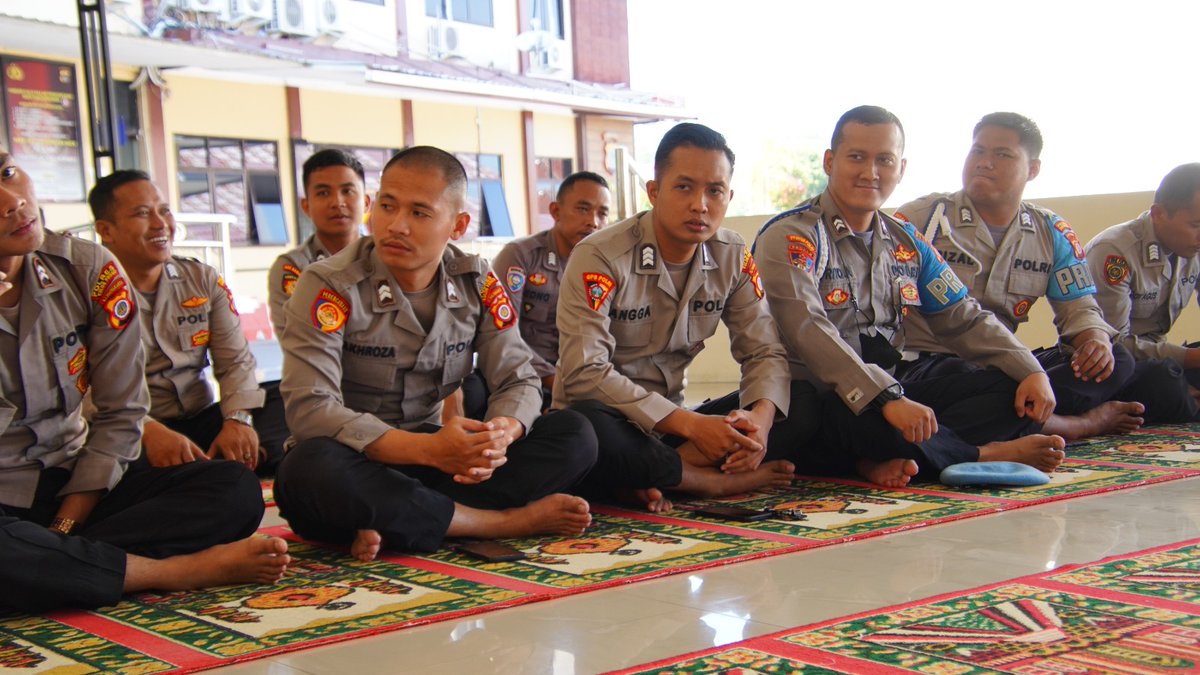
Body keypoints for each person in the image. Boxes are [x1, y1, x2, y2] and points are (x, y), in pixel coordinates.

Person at [275, 146, 596, 561]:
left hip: (438, 464)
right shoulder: (328, 284)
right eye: (387, 206)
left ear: (458, 224)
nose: (396, 226)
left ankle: (401, 520)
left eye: (419, 213)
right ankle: (501, 523)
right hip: (358, 458)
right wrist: (429, 451)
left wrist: (500, 434)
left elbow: (518, 376)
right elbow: (310, 410)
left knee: (576, 434)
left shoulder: (476, 281)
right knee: (306, 470)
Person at [0, 148, 287, 613]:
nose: (11, 200)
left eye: (8, 173)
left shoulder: (88, 271)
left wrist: (65, 527)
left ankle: (57, 560)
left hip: (77, 483)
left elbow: (121, 412)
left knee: (233, 490)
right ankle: (173, 570)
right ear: (108, 227)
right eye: (141, 214)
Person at [754, 105, 1065, 489]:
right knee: (823, 417)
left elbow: (962, 315)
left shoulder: (907, 241)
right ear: (830, 162)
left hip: (895, 385)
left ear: (900, 169)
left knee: (1011, 391)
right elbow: (809, 332)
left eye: (884, 160)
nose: (870, 172)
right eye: (857, 158)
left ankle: (880, 457)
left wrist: (1029, 368)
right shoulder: (791, 237)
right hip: (823, 394)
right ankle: (982, 454)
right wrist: (886, 400)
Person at [554, 122, 811, 513]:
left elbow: (764, 351)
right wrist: (690, 426)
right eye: (684, 187)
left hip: (675, 431)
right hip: (616, 421)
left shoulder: (732, 254)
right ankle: (705, 482)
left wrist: (758, 420)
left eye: (714, 191)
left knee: (804, 399)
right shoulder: (601, 256)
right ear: (654, 191)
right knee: (585, 429)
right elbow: (584, 373)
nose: (700, 205)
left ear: (729, 196)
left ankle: (656, 475)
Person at [892, 112, 1143, 440]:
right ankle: (1074, 425)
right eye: (978, 151)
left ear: (1033, 169)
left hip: (1005, 363)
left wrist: (1092, 339)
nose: (984, 163)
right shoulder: (921, 219)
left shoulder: (1050, 231)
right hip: (930, 365)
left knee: (1118, 359)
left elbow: (1079, 307)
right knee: (991, 383)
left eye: (1002, 154)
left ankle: (1017, 417)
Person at [89, 170, 279, 473]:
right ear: (106, 230)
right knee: (106, 452)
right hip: (137, 429)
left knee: (283, 400)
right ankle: (223, 469)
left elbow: (235, 362)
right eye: (142, 214)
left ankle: (222, 462)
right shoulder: (88, 294)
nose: (160, 224)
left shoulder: (200, 279)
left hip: (202, 418)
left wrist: (237, 420)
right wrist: (148, 431)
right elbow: (84, 391)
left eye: (164, 211)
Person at [474, 171, 611, 411]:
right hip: (517, 375)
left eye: (602, 213)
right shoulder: (520, 256)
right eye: (583, 209)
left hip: (577, 379)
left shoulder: (606, 267)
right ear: (556, 211)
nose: (593, 221)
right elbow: (503, 336)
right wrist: (555, 383)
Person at [1086, 163, 1200, 423]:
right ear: (1159, 214)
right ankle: (1185, 399)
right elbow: (1113, 346)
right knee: (1163, 381)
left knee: (1171, 373)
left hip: (1163, 358)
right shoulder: (1114, 251)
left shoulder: (1193, 246)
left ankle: (1189, 398)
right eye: (1196, 224)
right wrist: (1190, 358)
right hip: (1115, 367)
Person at [267, 148, 369, 338]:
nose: (337, 202)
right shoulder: (292, 268)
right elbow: (300, 342)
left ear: (366, 202)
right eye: (323, 193)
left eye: (347, 191)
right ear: (306, 206)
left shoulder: (389, 258)